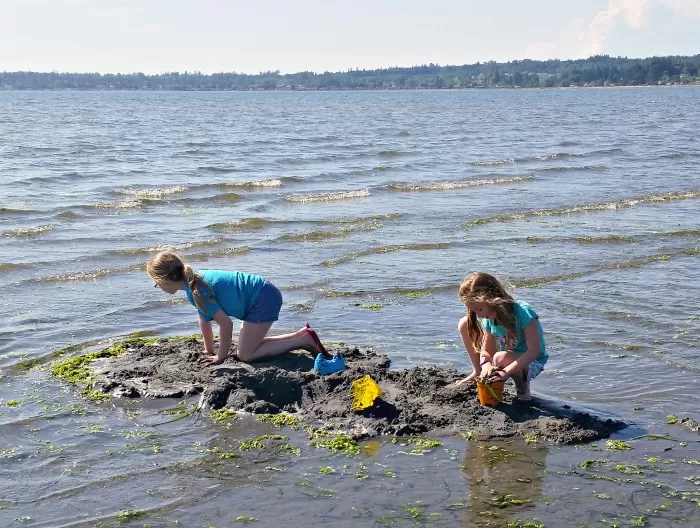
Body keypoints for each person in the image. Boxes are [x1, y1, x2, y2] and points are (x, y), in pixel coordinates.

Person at [146, 251, 330, 365]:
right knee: (247, 347)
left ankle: (302, 342)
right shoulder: (193, 283)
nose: (158, 287)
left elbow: (226, 325)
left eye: (156, 283)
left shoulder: (197, 288)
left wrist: (221, 356)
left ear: (166, 280)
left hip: (262, 298)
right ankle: (302, 335)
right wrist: (208, 349)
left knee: (246, 355)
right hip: (263, 292)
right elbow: (204, 319)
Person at [455, 272, 547, 401]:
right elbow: (486, 351)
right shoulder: (489, 320)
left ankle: (523, 390)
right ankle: (482, 375)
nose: (479, 315)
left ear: (492, 299)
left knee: (499, 358)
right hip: (509, 354)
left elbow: (534, 351)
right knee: (466, 323)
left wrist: (505, 372)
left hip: (533, 361)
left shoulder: (523, 312)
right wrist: (486, 365)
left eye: (479, 309)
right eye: (475, 311)